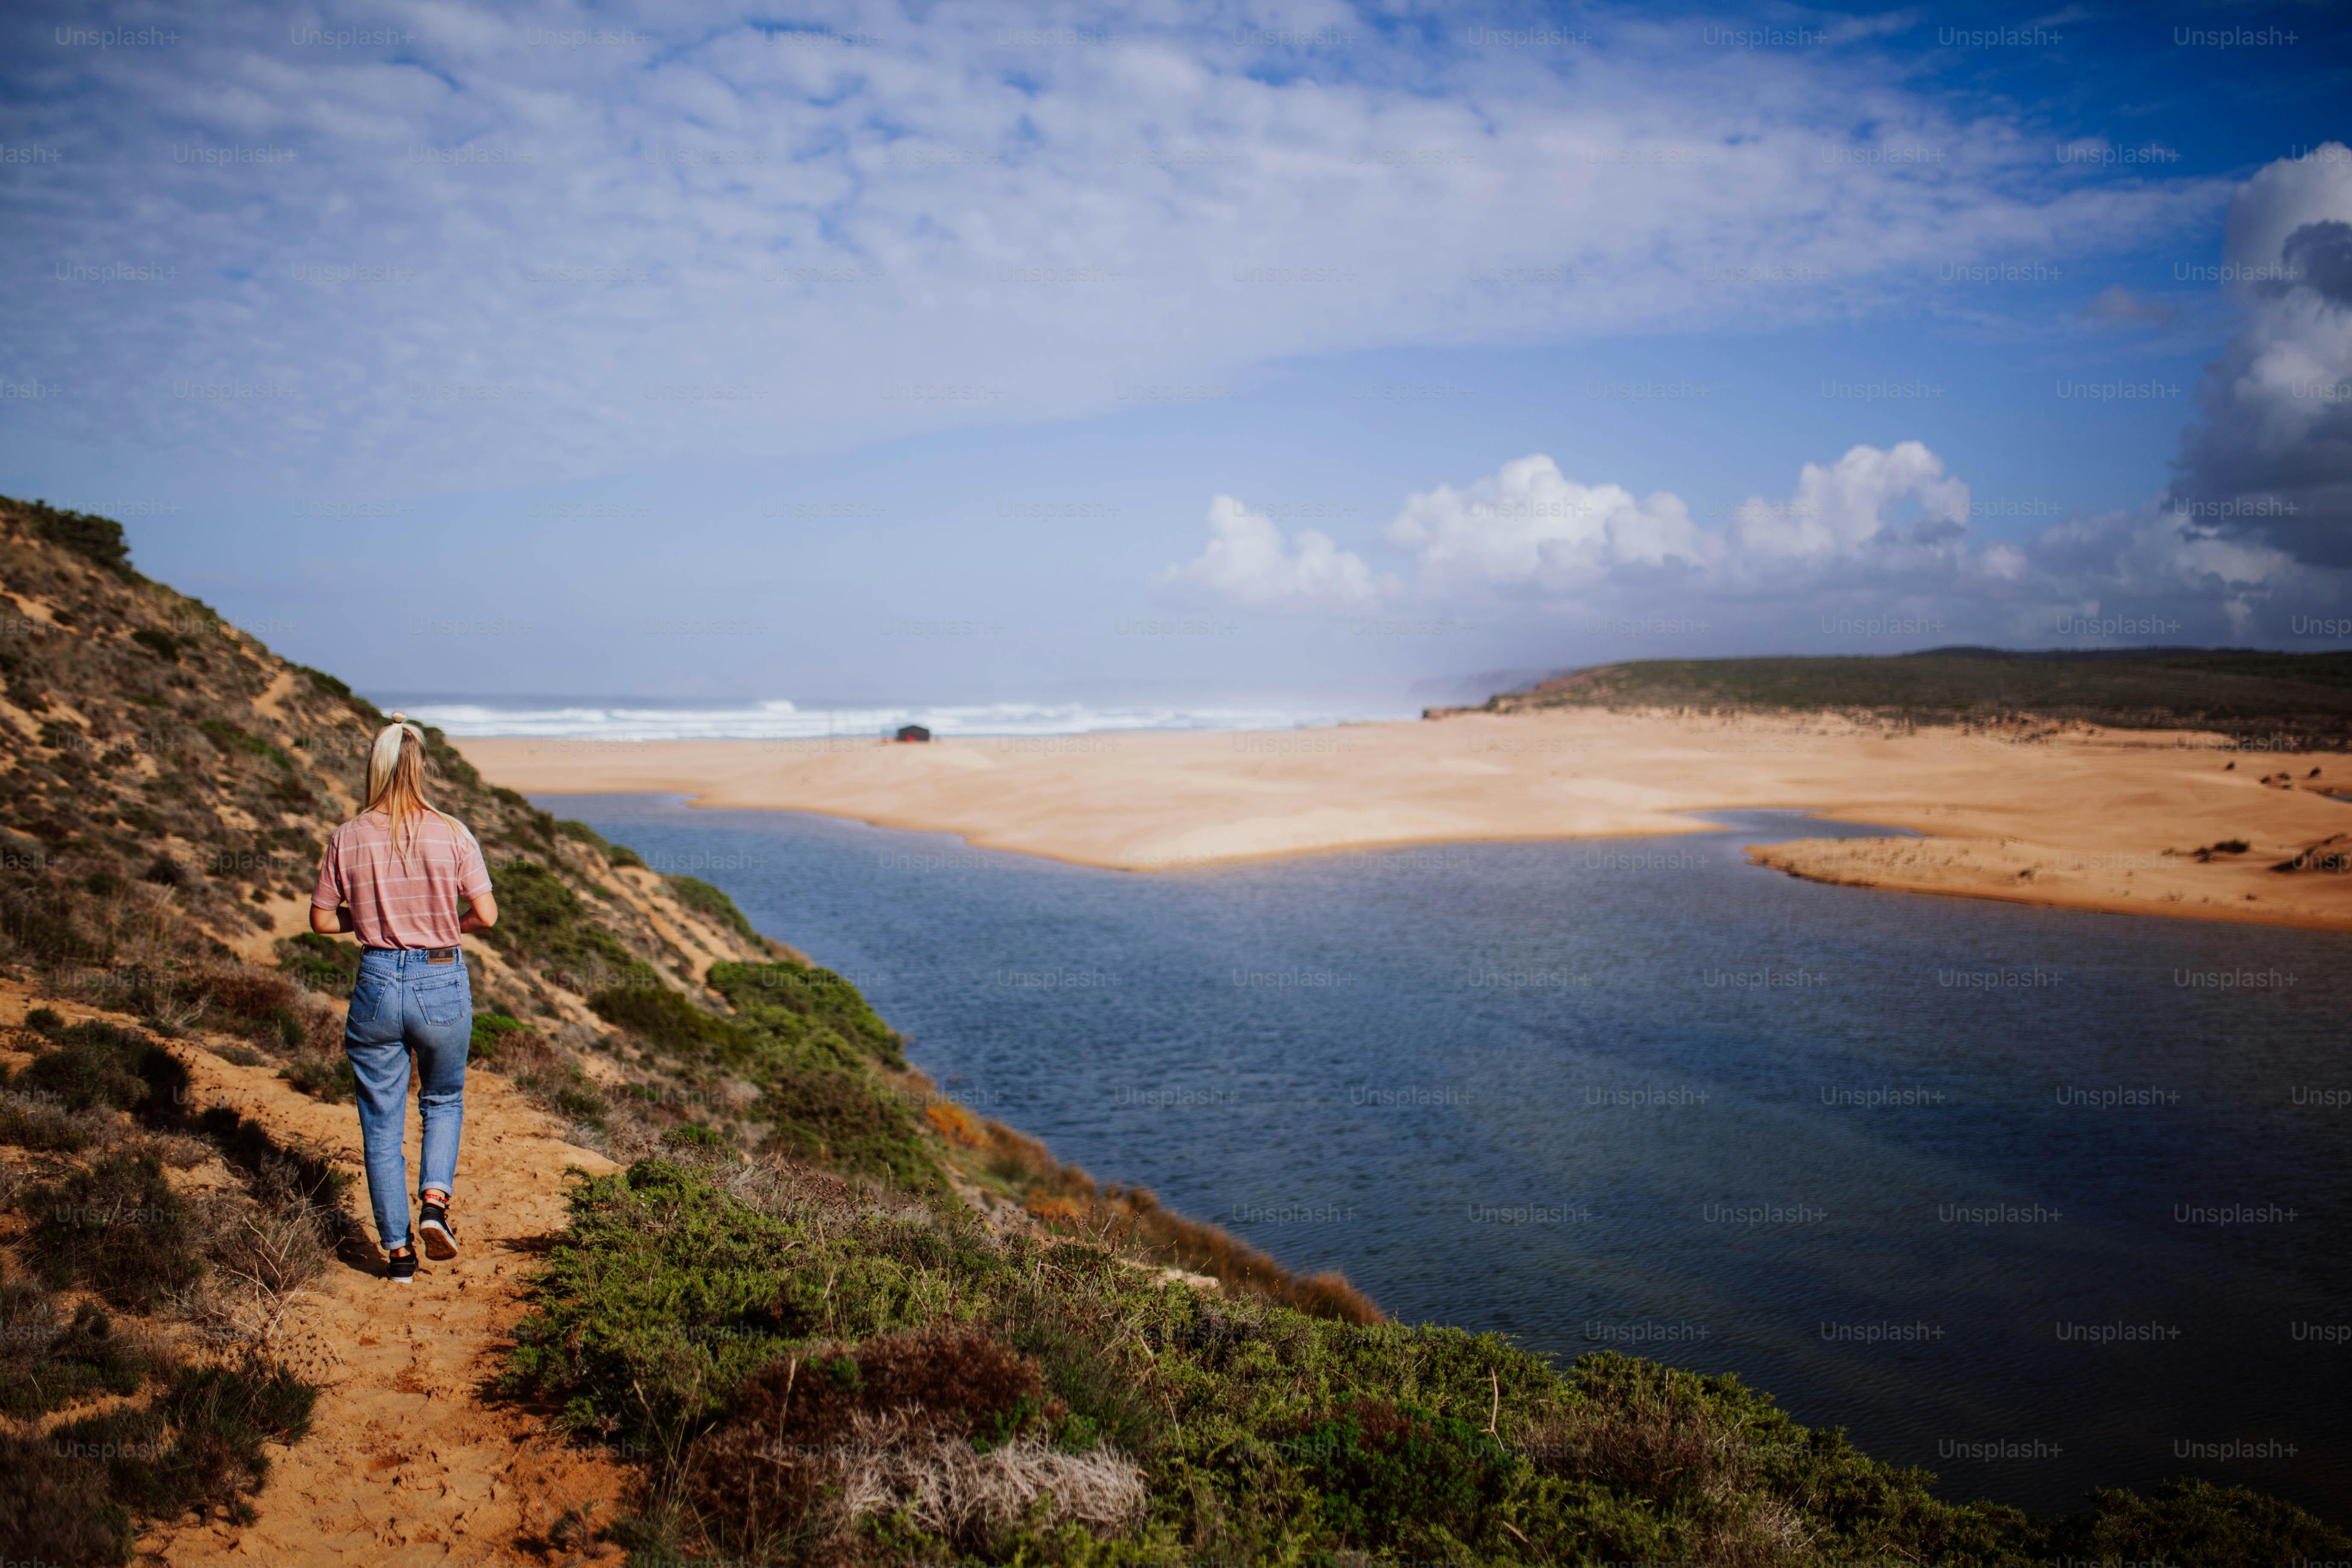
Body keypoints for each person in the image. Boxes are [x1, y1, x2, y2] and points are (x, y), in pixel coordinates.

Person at [310, 714, 499, 1282]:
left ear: (376, 765)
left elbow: (321, 920)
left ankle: (397, 1254)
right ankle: (435, 1204)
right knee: (442, 1100)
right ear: (422, 767)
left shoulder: (346, 836)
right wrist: (445, 922)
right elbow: (487, 914)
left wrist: (365, 915)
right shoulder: (453, 832)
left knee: (380, 1124)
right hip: (441, 978)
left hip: (375, 982)